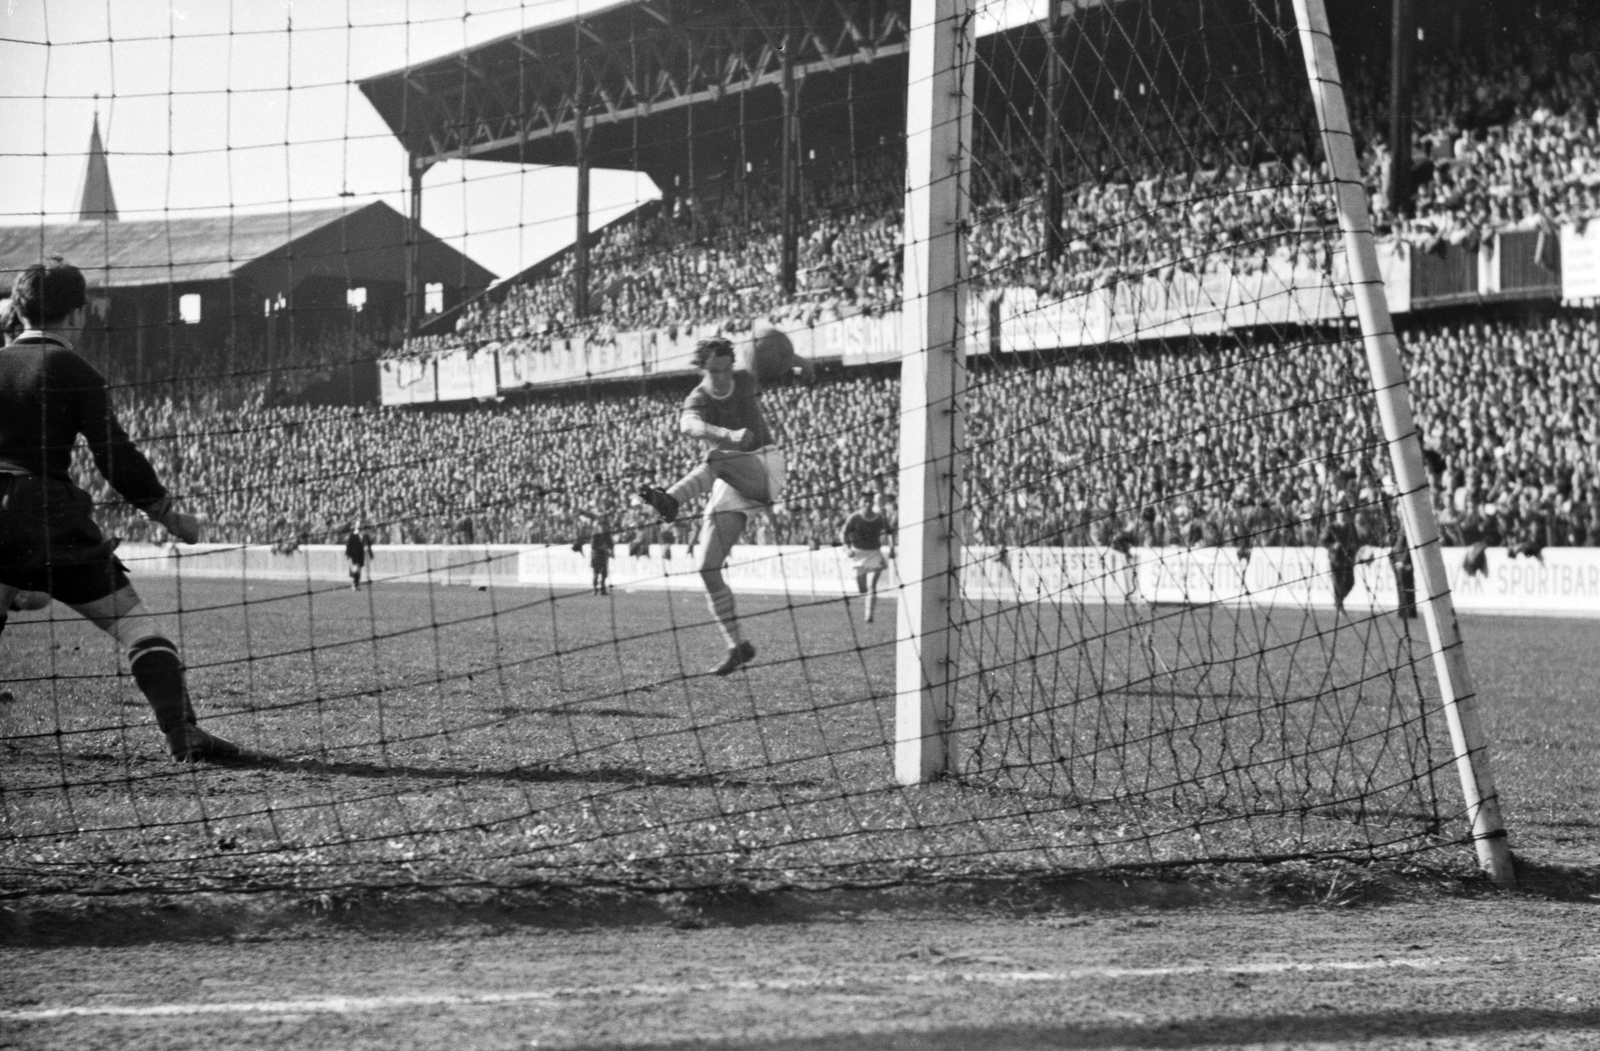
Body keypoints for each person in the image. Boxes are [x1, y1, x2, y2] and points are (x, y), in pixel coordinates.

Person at [0, 260, 239, 762]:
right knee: (136, 628)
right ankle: (182, 732)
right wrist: (168, 513)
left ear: (18, 310)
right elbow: (114, 454)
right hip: (47, 514)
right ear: (79, 314)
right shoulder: (73, 369)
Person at [638, 335, 809, 675]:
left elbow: (782, 356)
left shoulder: (745, 379)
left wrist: (807, 366)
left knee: (715, 460)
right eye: (711, 370)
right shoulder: (699, 396)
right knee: (707, 567)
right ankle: (738, 645)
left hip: (764, 466)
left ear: (732, 364)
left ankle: (672, 500)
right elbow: (688, 424)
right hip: (730, 474)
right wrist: (726, 434)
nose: (719, 376)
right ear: (703, 370)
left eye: (723, 369)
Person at [839, 490, 892, 624]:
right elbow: (843, 534)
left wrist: (891, 548)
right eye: (865, 501)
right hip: (858, 554)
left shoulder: (879, 518)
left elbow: (890, 531)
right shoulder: (854, 518)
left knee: (871, 586)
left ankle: (869, 614)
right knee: (862, 588)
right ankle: (867, 603)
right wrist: (846, 549)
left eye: (870, 501)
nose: (867, 504)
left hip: (874, 553)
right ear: (861, 503)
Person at [1320, 501, 1362, 617]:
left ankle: (1338, 602)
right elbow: (1323, 541)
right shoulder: (1331, 527)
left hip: (1348, 559)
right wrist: (1332, 546)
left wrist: (1354, 546)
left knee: (1350, 582)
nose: (1341, 514)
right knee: (1338, 584)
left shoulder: (1350, 526)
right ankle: (1340, 606)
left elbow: (1357, 541)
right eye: (1339, 512)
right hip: (1336, 559)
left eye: (1343, 512)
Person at [343, 524, 373, 589]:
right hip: (354, 555)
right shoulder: (353, 536)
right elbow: (349, 545)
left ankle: (355, 584)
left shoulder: (366, 537)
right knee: (356, 568)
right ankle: (355, 584)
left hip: (361, 555)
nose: (365, 531)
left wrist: (370, 555)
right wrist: (348, 554)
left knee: (358, 570)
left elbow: (369, 546)